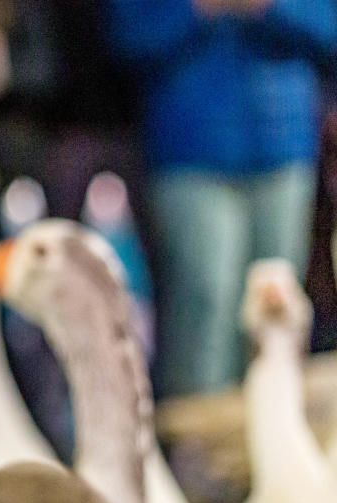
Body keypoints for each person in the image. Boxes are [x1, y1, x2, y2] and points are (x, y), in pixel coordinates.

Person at [108, 0, 337, 397]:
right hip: (190, 151)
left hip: (283, 146)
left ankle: (275, 434)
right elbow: (126, 40)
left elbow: (328, 29)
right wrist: (197, 9)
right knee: (206, 303)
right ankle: (196, 450)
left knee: (278, 313)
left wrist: (270, 6)